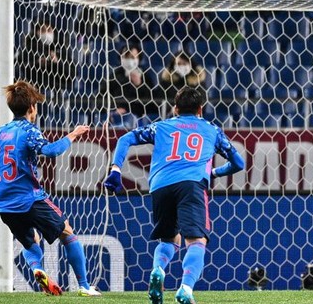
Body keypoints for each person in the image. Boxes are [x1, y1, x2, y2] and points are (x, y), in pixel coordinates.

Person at [102, 86, 245, 304]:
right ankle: (186, 288)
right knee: (196, 240)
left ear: (175, 108)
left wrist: (116, 169)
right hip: (191, 184)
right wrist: (214, 172)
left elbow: (125, 140)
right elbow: (239, 163)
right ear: (201, 109)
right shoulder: (212, 130)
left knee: (169, 237)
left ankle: (158, 270)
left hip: (160, 185)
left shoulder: (161, 126)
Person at [0, 81, 100, 296]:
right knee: (67, 232)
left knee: (32, 242)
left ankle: (37, 269)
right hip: (29, 198)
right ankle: (85, 287)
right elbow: (50, 151)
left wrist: (1, 188)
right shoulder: (29, 131)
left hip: (4, 204)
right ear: (32, 107)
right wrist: (72, 135)